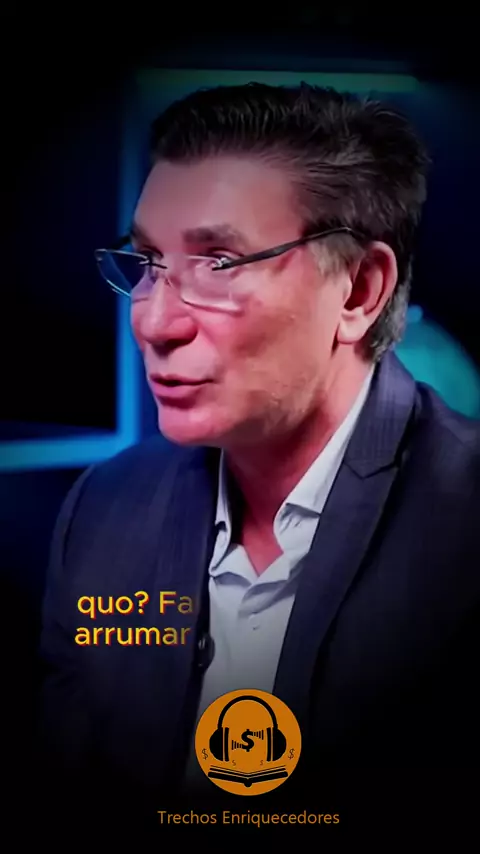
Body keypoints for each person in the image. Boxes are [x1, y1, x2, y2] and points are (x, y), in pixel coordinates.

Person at [39, 82, 480, 837]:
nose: (153, 322)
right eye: (147, 261)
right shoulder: (102, 512)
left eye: (218, 263)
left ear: (359, 290)